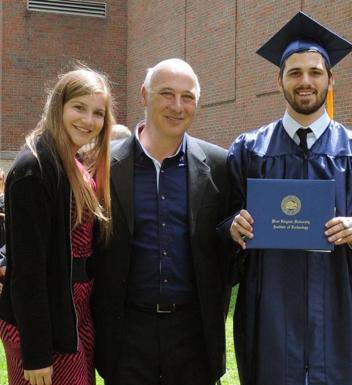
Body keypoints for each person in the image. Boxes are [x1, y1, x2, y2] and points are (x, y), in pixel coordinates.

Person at [226, 12, 352, 385]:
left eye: (315, 72)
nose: (305, 81)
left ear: (331, 79)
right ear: (278, 79)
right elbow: (221, 224)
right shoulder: (249, 150)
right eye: (295, 72)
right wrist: (232, 228)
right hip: (268, 308)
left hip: (337, 305)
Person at [91, 58, 231, 385]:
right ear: (144, 95)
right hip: (126, 333)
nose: (177, 106)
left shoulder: (220, 166)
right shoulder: (103, 163)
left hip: (193, 334)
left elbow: (229, 247)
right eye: (166, 94)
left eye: (188, 97)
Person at [0, 67, 114, 385]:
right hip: (44, 321)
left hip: (76, 311)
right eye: (79, 108)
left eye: (98, 113)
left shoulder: (73, 163)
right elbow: (27, 270)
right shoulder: (34, 168)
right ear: (58, 106)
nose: (88, 120)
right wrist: (36, 353)